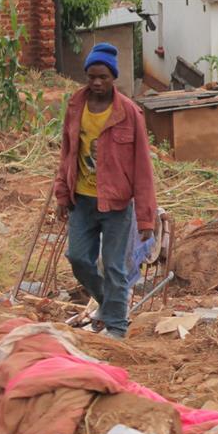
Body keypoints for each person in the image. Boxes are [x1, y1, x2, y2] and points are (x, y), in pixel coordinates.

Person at [54, 43, 156, 340]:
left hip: (116, 204)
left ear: (113, 77)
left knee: (113, 266)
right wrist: (62, 194)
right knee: (78, 258)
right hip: (82, 200)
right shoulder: (75, 106)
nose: (97, 83)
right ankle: (108, 304)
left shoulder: (129, 113)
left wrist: (146, 218)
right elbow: (67, 152)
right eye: (91, 76)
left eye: (103, 77)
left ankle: (117, 327)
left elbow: (143, 168)